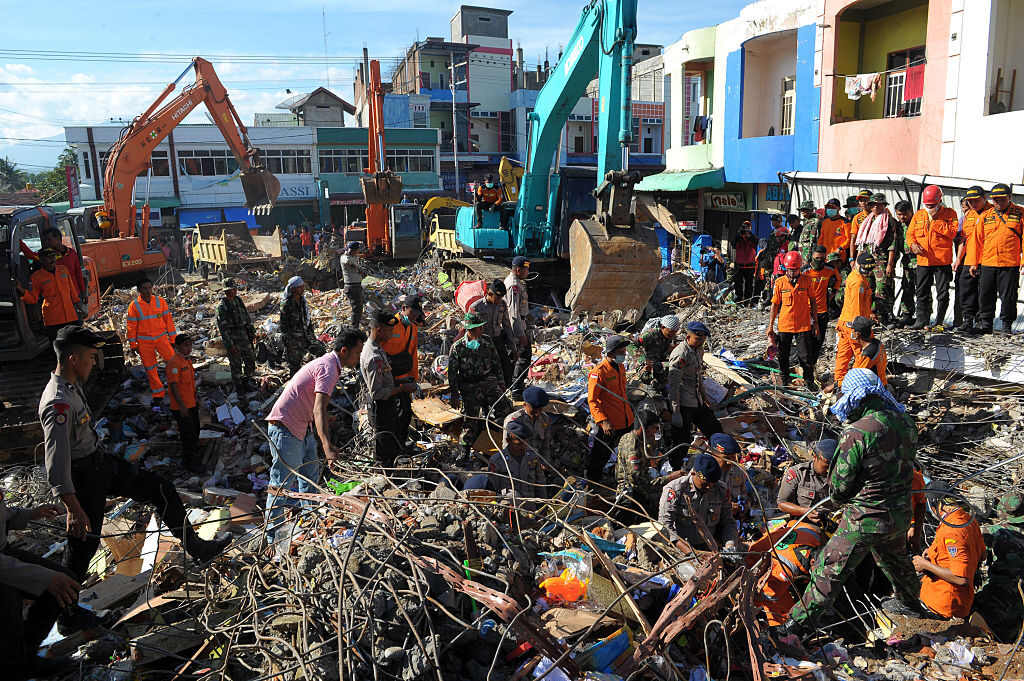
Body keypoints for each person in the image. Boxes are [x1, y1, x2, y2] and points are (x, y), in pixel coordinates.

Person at [41, 326, 229, 602]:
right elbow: (55, 464)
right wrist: (73, 508)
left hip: (100, 464)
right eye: (91, 357)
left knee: (161, 489)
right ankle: (62, 612)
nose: (94, 363)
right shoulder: (58, 402)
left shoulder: (71, 387)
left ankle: (198, 548)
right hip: (84, 477)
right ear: (73, 359)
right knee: (82, 550)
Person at [778, 369, 926, 637]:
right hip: (900, 514)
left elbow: (840, 487)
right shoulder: (906, 423)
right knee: (896, 561)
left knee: (829, 569)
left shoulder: (857, 432)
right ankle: (910, 603)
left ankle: (797, 625)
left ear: (860, 397)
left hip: (865, 518)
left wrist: (840, 498)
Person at [267, 328, 366, 533]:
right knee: (280, 485)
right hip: (286, 428)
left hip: (301, 427)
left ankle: (309, 521)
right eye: (358, 352)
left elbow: (317, 408)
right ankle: (271, 537)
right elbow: (319, 408)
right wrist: (327, 446)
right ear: (344, 351)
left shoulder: (330, 365)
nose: (359, 357)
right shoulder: (328, 368)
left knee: (310, 475)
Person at [0, 493, 79, 680]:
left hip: (4, 553)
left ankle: (24, 658)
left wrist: (30, 514)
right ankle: (14, 668)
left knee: (66, 584)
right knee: (9, 612)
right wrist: (44, 578)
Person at [914, 481, 984, 619]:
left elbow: (961, 578)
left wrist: (925, 565)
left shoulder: (952, 531)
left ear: (934, 504)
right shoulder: (968, 519)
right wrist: (934, 551)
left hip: (944, 603)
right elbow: (981, 555)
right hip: (959, 599)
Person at [449, 312, 507, 460]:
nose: (481, 330)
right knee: (471, 421)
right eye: (478, 328)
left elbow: (496, 362)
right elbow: (453, 374)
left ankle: (498, 436)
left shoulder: (486, 341)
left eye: (481, 327)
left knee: (505, 409)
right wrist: (455, 396)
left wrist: (501, 383)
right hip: (470, 388)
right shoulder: (457, 348)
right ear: (469, 330)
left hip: (488, 383)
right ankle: (465, 450)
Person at [361, 313, 416, 467]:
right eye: (389, 331)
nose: (392, 335)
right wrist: (402, 389)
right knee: (383, 454)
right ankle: (384, 480)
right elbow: (377, 392)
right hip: (381, 409)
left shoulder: (376, 348)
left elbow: (383, 380)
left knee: (390, 447)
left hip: (385, 407)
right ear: (378, 330)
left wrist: (400, 381)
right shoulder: (373, 356)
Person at [666, 321, 723, 469]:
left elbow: (698, 375)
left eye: (703, 339)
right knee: (681, 440)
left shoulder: (698, 350)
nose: (700, 341)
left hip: (696, 400)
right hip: (684, 403)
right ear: (688, 336)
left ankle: (720, 461)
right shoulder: (681, 355)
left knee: (715, 430)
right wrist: (675, 411)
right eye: (697, 338)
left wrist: (705, 397)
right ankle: (675, 469)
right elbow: (674, 384)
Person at [658, 453, 738, 551]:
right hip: (679, 548)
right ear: (693, 474)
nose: (709, 488)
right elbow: (665, 525)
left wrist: (730, 545)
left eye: (712, 485)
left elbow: (728, 522)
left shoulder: (721, 490)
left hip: (709, 547)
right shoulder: (675, 489)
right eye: (705, 484)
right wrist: (690, 552)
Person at [974, 493, 1024, 641]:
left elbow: (976, 555)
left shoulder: (994, 532)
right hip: (1020, 594)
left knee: (973, 609)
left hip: (999, 591)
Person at [975, 183, 1024, 335]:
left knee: (1008, 296)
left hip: (1009, 263)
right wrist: (973, 263)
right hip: (988, 262)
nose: (998, 202)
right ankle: (986, 324)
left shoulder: (1020, 213)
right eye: (995, 199)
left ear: (1009, 197)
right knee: (985, 294)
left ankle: (1006, 325)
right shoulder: (986, 215)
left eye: (1001, 199)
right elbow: (977, 242)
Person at [908, 185, 958, 330]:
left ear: (939, 201)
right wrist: (913, 245)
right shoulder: (919, 215)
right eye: (927, 205)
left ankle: (939, 323)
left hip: (942, 261)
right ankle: (921, 321)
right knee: (921, 292)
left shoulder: (950, 214)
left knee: (942, 293)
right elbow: (910, 234)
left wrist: (936, 221)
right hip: (924, 260)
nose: (929, 207)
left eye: (932, 205)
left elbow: (952, 233)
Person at [768, 250, 820, 391]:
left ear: (799, 269)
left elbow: (813, 302)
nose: (791, 273)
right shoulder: (779, 283)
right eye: (789, 270)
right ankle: (784, 380)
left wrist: (815, 322)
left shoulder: (807, 281)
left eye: (794, 270)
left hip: (803, 325)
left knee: (805, 357)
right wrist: (770, 326)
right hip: (785, 325)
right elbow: (774, 305)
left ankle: (809, 382)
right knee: (783, 355)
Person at [615, 410, 682, 517]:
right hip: (631, 499)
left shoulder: (629, 437)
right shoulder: (633, 447)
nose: (655, 432)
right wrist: (669, 478)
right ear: (643, 428)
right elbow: (639, 482)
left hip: (638, 494)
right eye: (654, 428)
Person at [587, 335, 634, 482]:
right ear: (611, 353)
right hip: (610, 423)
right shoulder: (599, 372)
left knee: (628, 452)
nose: (625, 354)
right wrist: (603, 420)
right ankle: (593, 482)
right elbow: (593, 400)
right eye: (621, 352)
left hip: (626, 420)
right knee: (601, 454)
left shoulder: (620, 367)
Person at [382, 293, 426, 449]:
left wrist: (413, 377)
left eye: (417, 314)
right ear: (403, 308)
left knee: (405, 413)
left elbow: (413, 353)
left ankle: (400, 443)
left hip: (404, 377)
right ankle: (391, 446)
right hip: (388, 378)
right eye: (412, 313)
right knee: (389, 414)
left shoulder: (413, 327)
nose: (414, 317)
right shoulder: (390, 325)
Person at [126, 277, 176, 404]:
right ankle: (158, 392)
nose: (148, 291)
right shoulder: (134, 306)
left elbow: (168, 321)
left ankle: (175, 388)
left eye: (150, 288)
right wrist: (133, 345)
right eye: (144, 288)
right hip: (144, 342)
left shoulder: (160, 301)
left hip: (161, 338)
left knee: (173, 362)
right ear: (139, 290)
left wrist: (173, 339)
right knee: (150, 368)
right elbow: (131, 326)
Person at [852, 193, 899, 325]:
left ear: (883, 205)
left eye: (879, 204)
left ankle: (883, 316)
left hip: (882, 260)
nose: (875, 207)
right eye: (873, 204)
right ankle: (870, 315)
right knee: (868, 288)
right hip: (868, 261)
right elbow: (862, 243)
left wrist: (890, 264)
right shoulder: (868, 221)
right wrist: (857, 261)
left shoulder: (889, 221)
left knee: (882, 288)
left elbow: (893, 245)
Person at [15, 247, 81, 339]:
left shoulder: (63, 270)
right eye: (49, 257)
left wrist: (80, 309)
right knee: (57, 347)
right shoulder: (36, 277)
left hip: (71, 317)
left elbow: (73, 293)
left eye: (53, 257)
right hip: (53, 320)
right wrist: (21, 290)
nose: (52, 259)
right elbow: (33, 299)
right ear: (41, 260)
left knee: (75, 344)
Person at [834, 252, 875, 388]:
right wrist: (861, 329)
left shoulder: (855, 277)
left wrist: (870, 314)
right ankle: (855, 382)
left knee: (844, 353)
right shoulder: (858, 283)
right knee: (862, 354)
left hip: (845, 322)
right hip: (854, 324)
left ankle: (838, 381)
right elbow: (857, 306)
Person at [954, 186, 990, 333]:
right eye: (970, 201)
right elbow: (964, 238)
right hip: (969, 258)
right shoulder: (969, 215)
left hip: (986, 259)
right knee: (966, 288)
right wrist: (958, 259)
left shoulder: (992, 212)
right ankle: (968, 320)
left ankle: (982, 322)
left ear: (984, 198)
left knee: (984, 292)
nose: (973, 204)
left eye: (976, 201)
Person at [776, 439, 838, 524]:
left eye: (833, 468)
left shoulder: (843, 477)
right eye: (825, 467)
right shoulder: (797, 473)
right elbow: (782, 503)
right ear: (815, 457)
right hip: (804, 524)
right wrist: (804, 511)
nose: (828, 471)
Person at [165, 334, 202, 472]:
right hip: (182, 407)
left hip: (191, 403)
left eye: (190, 345)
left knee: (195, 431)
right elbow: (173, 385)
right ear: (177, 347)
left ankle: (193, 456)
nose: (189, 348)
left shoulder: (186, 360)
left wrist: (195, 398)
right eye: (186, 345)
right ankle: (189, 463)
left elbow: (190, 383)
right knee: (188, 435)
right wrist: (181, 406)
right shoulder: (174, 362)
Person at [488, 420, 545, 508]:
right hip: (510, 507)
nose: (524, 446)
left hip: (530, 506)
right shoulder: (498, 461)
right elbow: (493, 489)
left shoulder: (533, 456)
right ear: (508, 441)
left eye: (526, 442)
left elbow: (540, 482)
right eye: (520, 443)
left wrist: (542, 505)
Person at [216, 277, 257, 395]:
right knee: (236, 364)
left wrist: (252, 331)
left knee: (250, 360)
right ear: (225, 291)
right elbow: (223, 328)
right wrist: (230, 344)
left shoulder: (238, 300)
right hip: (233, 338)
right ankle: (239, 388)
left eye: (235, 288)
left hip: (244, 335)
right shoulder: (222, 306)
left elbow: (247, 317)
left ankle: (247, 381)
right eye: (231, 289)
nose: (234, 291)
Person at [470, 280, 515, 387]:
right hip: (482, 343)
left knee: (505, 367)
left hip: (497, 340)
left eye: (501, 298)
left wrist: (512, 346)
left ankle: (505, 390)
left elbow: (507, 326)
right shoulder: (476, 307)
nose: (500, 301)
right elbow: (470, 329)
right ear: (490, 294)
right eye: (497, 298)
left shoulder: (502, 305)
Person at [280, 276, 323, 375]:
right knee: (295, 368)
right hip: (293, 341)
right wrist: (288, 344)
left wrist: (311, 335)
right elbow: (284, 326)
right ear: (292, 289)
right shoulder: (286, 304)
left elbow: (307, 319)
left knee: (321, 352)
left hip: (306, 337)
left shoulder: (303, 301)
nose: (302, 289)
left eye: (303, 286)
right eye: (300, 287)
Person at [804, 245, 839, 363]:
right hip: (806, 311)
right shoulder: (805, 271)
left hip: (822, 310)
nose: (820, 261)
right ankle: (806, 363)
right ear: (811, 257)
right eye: (817, 258)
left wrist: (833, 292)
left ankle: (813, 362)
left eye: (822, 258)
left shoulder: (830, 269)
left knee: (819, 339)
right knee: (805, 340)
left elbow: (838, 279)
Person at [504, 256, 531, 398]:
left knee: (517, 358)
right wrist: (520, 334)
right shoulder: (513, 285)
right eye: (526, 269)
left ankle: (514, 385)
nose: (528, 272)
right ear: (519, 269)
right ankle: (516, 389)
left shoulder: (517, 282)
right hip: (515, 327)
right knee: (524, 357)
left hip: (520, 324)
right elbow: (513, 312)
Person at [502, 386, 552, 462]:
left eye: (540, 410)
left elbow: (545, 446)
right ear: (524, 405)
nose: (537, 414)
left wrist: (545, 462)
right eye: (533, 411)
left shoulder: (545, 419)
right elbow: (506, 447)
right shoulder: (513, 421)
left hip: (536, 459)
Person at [892, 200, 918, 328]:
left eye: (904, 214)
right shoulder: (898, 226)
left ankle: (923, 316)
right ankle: (906, 314)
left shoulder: (918, 223)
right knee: (907, 287)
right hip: (907, 261)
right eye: (899, 214)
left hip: (920, 261)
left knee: (922, 290)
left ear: (911, 211)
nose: (902, 217)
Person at [638, 314, 679, 389]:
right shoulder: (650, 335)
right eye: (671, 331)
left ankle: (662, 386)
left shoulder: (670, 336)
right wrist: (642, 361)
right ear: (663, 327)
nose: (673, 334)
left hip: (660, 361)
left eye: (675, 332)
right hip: (650, 364)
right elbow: (632, 344)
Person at [848, 316, 887, 385]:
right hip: (883, 382)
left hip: (875, 388)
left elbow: (857, 377)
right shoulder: (878, 343)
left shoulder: (868, 355)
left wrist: (836, 385)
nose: (852, 332)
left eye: (853, 330)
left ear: (857, 334)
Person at [339, 241, 366, 327]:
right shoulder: (345, 257)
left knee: (359, 308)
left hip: (357, 286)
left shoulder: (353, 257)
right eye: (357, 250)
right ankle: (354, 328)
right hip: (351, 287)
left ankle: (356, 326)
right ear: (354, 250)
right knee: (356, 308)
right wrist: (358, 269)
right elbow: (350, 264)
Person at [732, 221, 757, 306]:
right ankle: (739, 300)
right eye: (744, 227)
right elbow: (733, 244)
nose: (746, 228)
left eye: (748, 226)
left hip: (750, 265)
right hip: (739, 265)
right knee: (738, 284)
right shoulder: (738, 238)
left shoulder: (753, 237)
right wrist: (739, 234)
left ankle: (747, 301)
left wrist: (749, 235)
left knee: (749, 285)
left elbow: (756, 243)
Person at [819, 198, 851, 264]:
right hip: (826, 257)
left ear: (839, 208)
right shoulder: (825, 222)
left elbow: (849, 239)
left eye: (832, 207)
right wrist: (819, 250)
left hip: (838, 257)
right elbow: (821, 238)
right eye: (828, 207)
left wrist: (840, 248)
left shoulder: (845, 222)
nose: (830, 209)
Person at [849, 189, 873, 260]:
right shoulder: (857, 218)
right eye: (861, 201)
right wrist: (851, 258)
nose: (863, 203)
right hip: (863, 253)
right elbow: (853, 239)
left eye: (866, 200)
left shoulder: (881, 215)